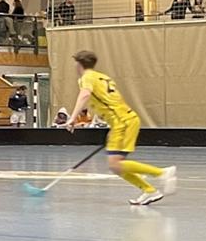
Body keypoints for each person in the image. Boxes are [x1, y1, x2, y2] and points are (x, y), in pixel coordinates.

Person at [68, 50, 175, 206]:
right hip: (123, 121)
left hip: (122, 122)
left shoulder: (87, 78)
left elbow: (85, 95)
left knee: (115, 164)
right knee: (117, 166)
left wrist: (72, 118)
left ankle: (162, 173)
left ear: (79, 64)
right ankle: (150, 191)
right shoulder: (102, 77)